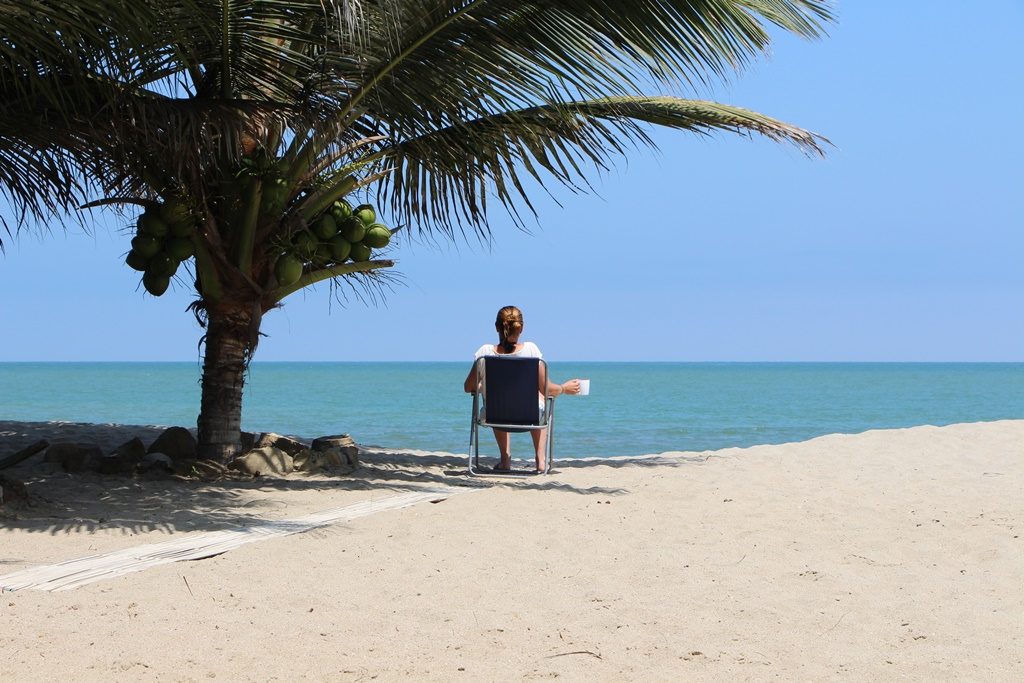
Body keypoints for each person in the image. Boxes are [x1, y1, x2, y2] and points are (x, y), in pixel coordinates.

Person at [464, 305, 581, 472]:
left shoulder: (484, 353)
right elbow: (547, 390)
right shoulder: (531, 350)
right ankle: (541, 460)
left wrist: (482, 386)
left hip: (494, 416)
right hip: (529, 416)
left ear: (497, 326)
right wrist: (564, 388)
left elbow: (468, 387)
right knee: (540, 398)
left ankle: (505, 460)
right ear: (521, 328)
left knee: (497, 399)